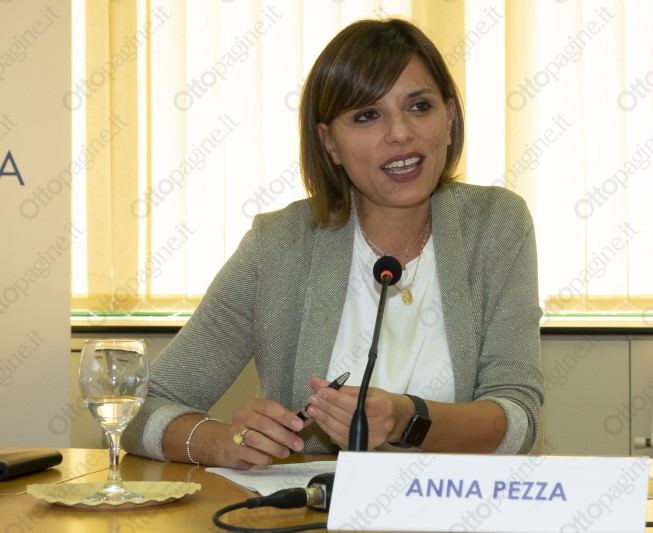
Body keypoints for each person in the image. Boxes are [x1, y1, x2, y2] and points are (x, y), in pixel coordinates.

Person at [123, 18, 543, 469]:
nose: (400, 132)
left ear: (450, 119)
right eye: (367, 115)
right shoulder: (279, 245)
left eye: (419, 106)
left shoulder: (497, 225)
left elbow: (519, 422)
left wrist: (408, 418)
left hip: (455, 501)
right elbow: (138, 408)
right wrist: (223, 442)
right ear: (330, 143)